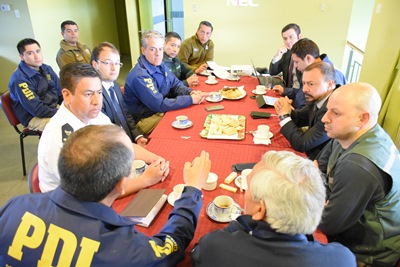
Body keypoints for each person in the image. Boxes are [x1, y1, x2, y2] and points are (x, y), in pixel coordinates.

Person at [0, 124, 211, 266]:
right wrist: (192, 191)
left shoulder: (14, 206)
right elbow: (170, 246)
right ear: (121, 185)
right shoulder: (124, 248)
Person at [191, 150, 356, 267]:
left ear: (261, 210)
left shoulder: (215, 247)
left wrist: (242, 223)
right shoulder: (343, 259)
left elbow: (196, 254)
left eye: (248, 187)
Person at [38, 62, 169, 196]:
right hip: (72, 207)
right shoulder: (57, 139)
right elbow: (94, 192)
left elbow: (122, 145)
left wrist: (155, 159)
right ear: (66, 95)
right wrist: (146, 179)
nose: (97, 101)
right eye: (88, 94)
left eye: (99, 92)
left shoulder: (93, 114)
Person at [316, 83, 400, 266]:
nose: (324, 118)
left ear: (362, 119)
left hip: (368, 252)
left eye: (335, 113)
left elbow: (328, 223)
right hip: (351, 226)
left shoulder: (358, 165)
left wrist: (323, 204)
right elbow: (317, 167)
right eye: (327, 110)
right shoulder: (349, 135)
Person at [123, 30, 206, 134]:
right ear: (143, 50)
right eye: (153, 49)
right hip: (145, 119)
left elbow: (175, 84)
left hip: (160, 110)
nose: (158, 54)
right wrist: (189, 99)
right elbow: (160, 104)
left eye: (160, 49)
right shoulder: (140, 75)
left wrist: (189, 92)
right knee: (187, 125)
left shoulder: (159, 64)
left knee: (194, 115)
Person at [274, 62, 336, 160]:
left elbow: (302, 144)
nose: (304, 89)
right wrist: (287, 109)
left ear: (329, 84)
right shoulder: (318, 97)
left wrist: (284, 116)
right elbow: (300, 118)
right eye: (303, 83)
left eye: (311, 84)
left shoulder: (332, 109)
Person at [91, 42, 147, 147]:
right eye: (108, 63)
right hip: (114, 147)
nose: (114, 68)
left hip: (129, 141)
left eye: (117, 63)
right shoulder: (94, 94)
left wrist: (137, 136)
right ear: (95, 64)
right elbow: (106, 134)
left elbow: (125, 113)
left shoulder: (114, 85)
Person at [8, 38, 62, 131]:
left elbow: (60, 92)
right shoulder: (19, 79)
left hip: (52, 107)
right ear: (22, 57)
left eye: (38, 51)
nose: (37, 56)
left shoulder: (46, 68)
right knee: (65, 126)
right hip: (34, 116)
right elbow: (37, 110)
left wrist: (70, 106)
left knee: (81, 116)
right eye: (30, 53)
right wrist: (62, 113)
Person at [268, 23, 304, 109]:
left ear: (300, 37)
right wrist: (277, 56)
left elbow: (303, 90)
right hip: (286, 96)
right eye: (285, 38)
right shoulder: (287, 53)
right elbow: (273, 72)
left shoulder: (305, 57)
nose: (288, 41)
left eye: (291, 37)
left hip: (299, 100)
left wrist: (285, 91)